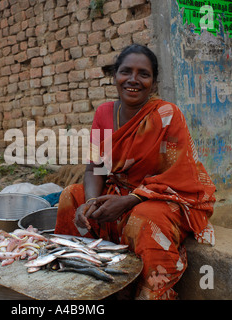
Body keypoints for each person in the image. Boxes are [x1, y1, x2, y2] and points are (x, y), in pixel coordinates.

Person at [54, 44, 216, 300]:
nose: (133, 80)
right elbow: (96, 167)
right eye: (126, 71)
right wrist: (93, 202)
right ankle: (82, 283)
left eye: (144, 74)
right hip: (118, 192)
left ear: (153, 82)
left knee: (144, 218)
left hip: (164, 197)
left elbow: (179, 176)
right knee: (71, 197)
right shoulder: (104, 113)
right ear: (115, 76)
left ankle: (151, 292)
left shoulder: (166, 115)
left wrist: (131, 199)